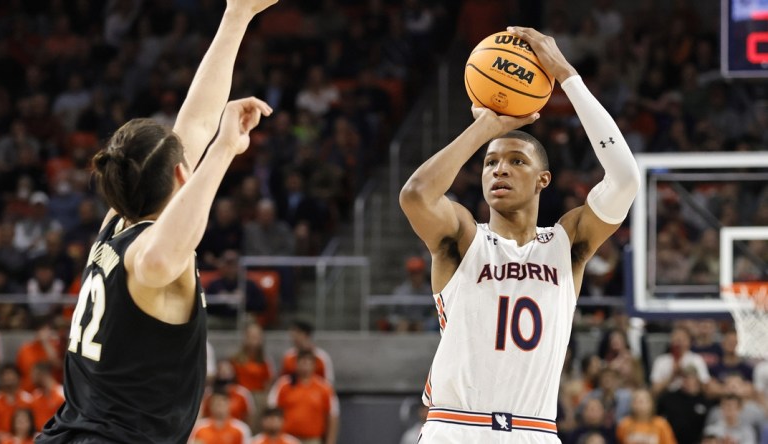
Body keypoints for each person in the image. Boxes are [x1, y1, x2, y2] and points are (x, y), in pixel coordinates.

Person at [36, 0, 277, 442]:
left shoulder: (118, 221)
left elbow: (198, 120)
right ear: (182, 174)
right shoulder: (151, 259)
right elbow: (167, 251)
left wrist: (237, 15)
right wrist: (224, 151)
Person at [399, 26, 640, 442]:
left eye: (515, 161)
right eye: (491, 162)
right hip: (456, 429)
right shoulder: (463, 239)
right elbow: (416, 195)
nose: (500, 169)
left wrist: (566, 76)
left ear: (543, 179)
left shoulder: (568, 243)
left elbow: (625, 180)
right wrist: (484, 129)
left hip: (536, 431)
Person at [268, 351, 340, 444]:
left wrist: (330, 441)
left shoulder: (324, 388)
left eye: (308, 363)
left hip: (312, 439)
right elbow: (271, 411)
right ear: (296, 364)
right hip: (288, 438)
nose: (305, 366)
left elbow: (332, 416)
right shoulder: (284, 384)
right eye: (302, 362)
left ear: (314, 365)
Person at [650, 326, 711, 396]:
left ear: (689, 341)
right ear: (671, 341)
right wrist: (672, 375)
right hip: (667, 398)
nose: (679, 342)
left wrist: (687, 377)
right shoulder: (661, 361)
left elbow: (705, 386)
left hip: (691, 398)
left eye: (683, 338)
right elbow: (655, 390)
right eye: (676, 338)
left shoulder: (697, 359)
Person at [0, 364, 33, 442]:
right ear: (1, 378)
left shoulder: (28, 399)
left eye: (11, 374)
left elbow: (34, 425)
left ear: (18, 377)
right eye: (6, 374)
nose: (8, 377)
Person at [29, 362, 65, 431]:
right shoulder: (35, 396)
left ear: (41, 374)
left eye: (33, 374)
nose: (31, 378)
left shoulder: (62, 394)